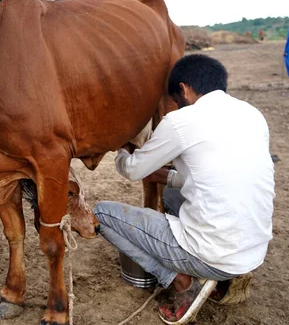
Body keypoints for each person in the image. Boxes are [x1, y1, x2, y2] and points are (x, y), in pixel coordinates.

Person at [93, 54, 275, 324]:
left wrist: (122, 145)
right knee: (170, 191)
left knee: (101, 213)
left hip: (212, 255)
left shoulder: (181, 121)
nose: (176, 106)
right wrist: (167, 176)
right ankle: (226, 277)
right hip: (253, 251)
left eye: (175, 99)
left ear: (184, 88)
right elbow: (216, 174)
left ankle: (180, 280)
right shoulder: (252, 114)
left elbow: (132, 170)